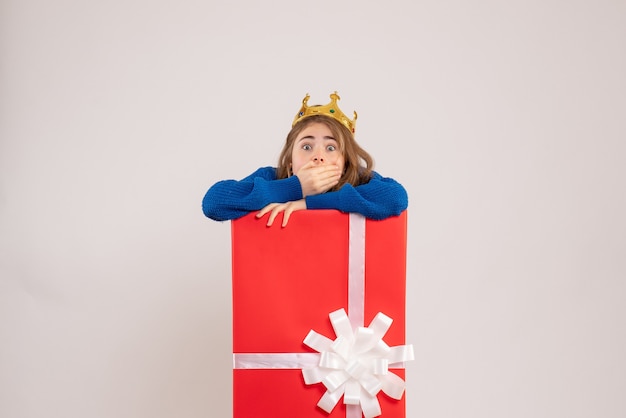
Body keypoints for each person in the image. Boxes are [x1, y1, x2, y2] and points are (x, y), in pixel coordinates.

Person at [202, 92, 408, 227]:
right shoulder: (273, 177)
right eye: (307, 146)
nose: (318, 156)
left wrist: (309, 203)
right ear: (290, 160)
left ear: (344, 161)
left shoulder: (358, 179)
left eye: (331, 147)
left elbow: (397, 197)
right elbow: (213, 203)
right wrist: (295, 188)